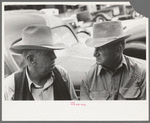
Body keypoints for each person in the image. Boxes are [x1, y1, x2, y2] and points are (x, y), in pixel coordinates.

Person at [4, 25, 78, 100]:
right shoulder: (11, 86)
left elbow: (73, 107)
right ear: (31, 59)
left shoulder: (62, 74)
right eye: (48, 53)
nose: (54, 56)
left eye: (53, 52)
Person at [80, 21, 146, 100]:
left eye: (100, 48)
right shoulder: (88, 77)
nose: (95, 54)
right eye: (95, 48)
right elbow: (86, 111)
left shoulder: (141, 73)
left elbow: (144, 110)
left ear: (118, 50)